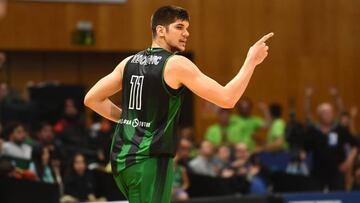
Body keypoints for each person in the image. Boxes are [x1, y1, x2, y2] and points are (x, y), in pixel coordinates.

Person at [84, 5, 273, 203]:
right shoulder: (175, 64)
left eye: (187, 28)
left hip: (122, 161)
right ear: (160, 30)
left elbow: (92, 99)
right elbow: (227, 99)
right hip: (149, 161)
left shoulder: (128, 62)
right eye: (179, 27)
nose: (186, 33)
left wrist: (128, 120)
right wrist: (251, 61)